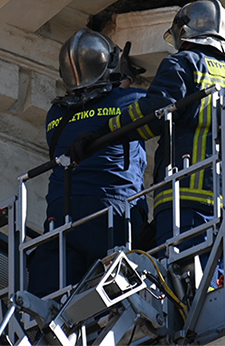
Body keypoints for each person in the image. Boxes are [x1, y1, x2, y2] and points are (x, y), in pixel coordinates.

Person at [70, 0, 225, 259]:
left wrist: (103, 133)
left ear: (183, 33)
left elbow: (154, 114)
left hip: (188, 198)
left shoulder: (185, 62)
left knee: (185, 274)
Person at [27, 28, 148, 297]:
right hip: (112, 208)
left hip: (62, 213)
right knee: (115, 296)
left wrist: (119, 82)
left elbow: (93, 110)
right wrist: (125, 80)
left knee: (56, 297)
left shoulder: (54, 115)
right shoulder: (131, 100)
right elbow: (144, 105)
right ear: (109, 64)